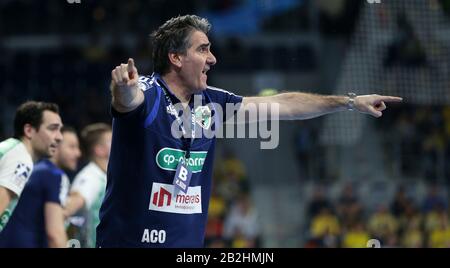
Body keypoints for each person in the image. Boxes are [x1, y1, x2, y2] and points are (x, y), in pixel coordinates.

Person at [97, 14, 402, 248]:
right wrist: (123, 86)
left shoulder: (212, 103)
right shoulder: (148, 93)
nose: (212, 58)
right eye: (203, 49)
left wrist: (350, 102)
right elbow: (127, 101)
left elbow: (285, 106)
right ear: (175, 58)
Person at [0, 127, 81, 248]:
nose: (78, 153)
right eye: (72, 147)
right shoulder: (55, 175)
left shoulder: (31, 169)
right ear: (56, 146)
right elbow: (55, 234)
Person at [0, 101, 63, 232]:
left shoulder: (11, 149)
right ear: (29, 130)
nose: (59, 137)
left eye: (60, 130)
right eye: (52, 128)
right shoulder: (21, 158)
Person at [64, 123, 112, 248]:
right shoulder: (90, 177)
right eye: (112, 140)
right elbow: (70, 205)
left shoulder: (104, 176)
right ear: (99, 150)